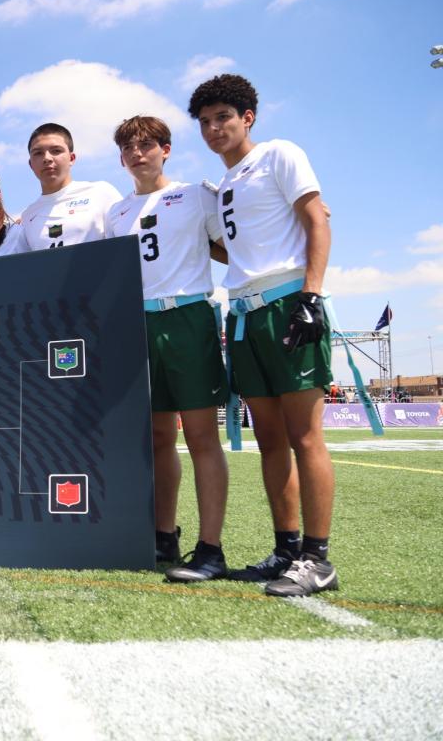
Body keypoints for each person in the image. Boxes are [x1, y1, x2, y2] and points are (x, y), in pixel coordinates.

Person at [190, 73, 338, 597]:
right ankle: (287, 549)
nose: (214, 128)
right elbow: (233, 248)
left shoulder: (279, 154)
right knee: (269, 440)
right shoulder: (223, 186)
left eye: (223, 117)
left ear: (247, 117)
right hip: (244, 313)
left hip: (288, 302)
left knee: (305, 436)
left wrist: (311, 296)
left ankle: (318, 558)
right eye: (205, 122)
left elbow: (317, 220)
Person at [104, 116, 231, 582]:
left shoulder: (196, 194)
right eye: (128, 148)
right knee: (158, 438)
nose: (137, 154)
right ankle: (164, 535)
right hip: (137, 322)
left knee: (201, 437)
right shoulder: (116, 212)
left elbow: (231, 245)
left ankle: (211, 548)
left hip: (187, 317)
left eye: (146, 145)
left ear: (166, 149)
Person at [20, 123, 123, 250]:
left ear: (72, 158)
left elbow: (126, 246)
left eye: (56, 151)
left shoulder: (101, 193)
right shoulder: (27, 216)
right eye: (38, 153)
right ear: (31, 164)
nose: (47, 158)